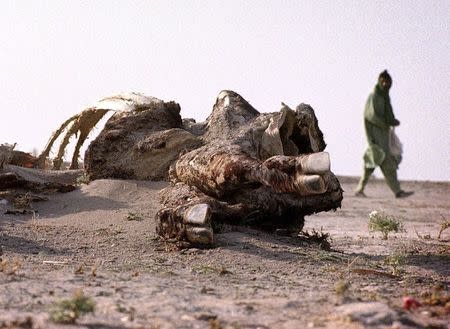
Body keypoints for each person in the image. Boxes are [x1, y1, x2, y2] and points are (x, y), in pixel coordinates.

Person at [355, 70, 413, 198]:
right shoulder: (374, 96)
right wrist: (385, 124)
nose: (385, 84)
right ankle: (361, 190)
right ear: (380, 81)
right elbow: (370, 116)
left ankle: (397, 191)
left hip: (384, 136)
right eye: (383, 81)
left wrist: (392, 121)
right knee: (374, 163)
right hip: (375, 136)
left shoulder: (385, 97)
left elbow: (388, 115)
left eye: (388, 82)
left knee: (383, 164)